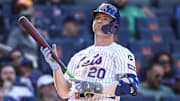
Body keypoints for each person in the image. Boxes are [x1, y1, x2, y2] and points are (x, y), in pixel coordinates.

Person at [40, 3, 138, 101]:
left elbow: (129, 86)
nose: (99, 21)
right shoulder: (79, 56)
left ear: (114, 26)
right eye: (97, 18)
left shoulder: (122, 52)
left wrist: (94, 88)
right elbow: (64, 93)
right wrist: (56, 68)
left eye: (105, 19)